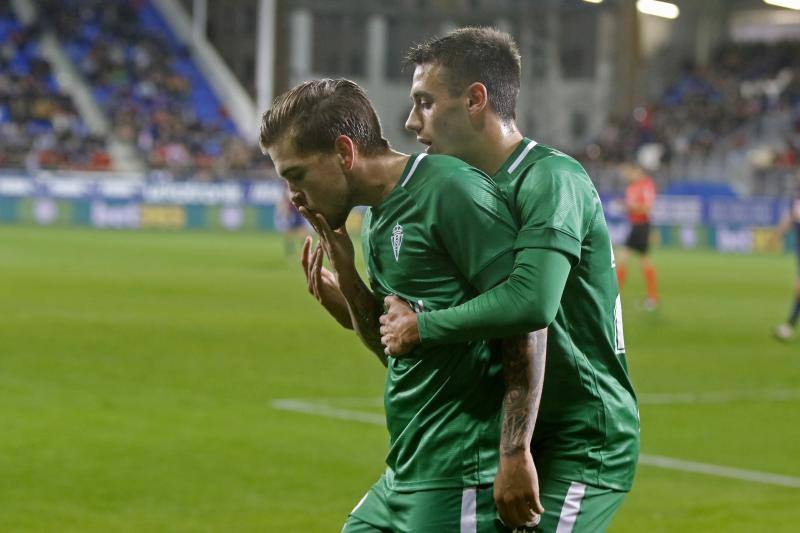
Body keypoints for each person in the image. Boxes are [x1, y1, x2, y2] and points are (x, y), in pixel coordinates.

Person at [378, 27, 639, 532]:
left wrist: (423, 326)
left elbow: (531, 302)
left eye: (425, 103)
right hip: (510, 433)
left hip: (580, 436)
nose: (412, 122)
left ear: (476, 100)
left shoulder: (551, 179)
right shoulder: (464, 194)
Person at [261, 78, 545, 532]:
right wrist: (350, 286)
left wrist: (514, 451)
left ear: (344, 152)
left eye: (296, 175)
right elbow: (394, 352)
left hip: (462, 476)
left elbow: (525, 317)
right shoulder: (374, 220)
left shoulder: (450, 189)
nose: (293, 196)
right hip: (405, 471)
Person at [616, 162, 659, 310]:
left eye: (629, 172)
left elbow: (647, 208)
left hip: (642, 226)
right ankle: (616, 296)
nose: (627, 175)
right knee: (624, 258)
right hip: (635, 226)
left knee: (642, 260)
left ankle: (652, 298)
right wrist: (626, 207)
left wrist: (629, 207)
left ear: (637, 171)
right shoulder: (632, 187)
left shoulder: (646, 185)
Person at [772, 188, 800, 342]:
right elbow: (791, 218)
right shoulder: (797, 196)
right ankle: (789, 327)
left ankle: (789, 327)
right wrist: (778, 234)